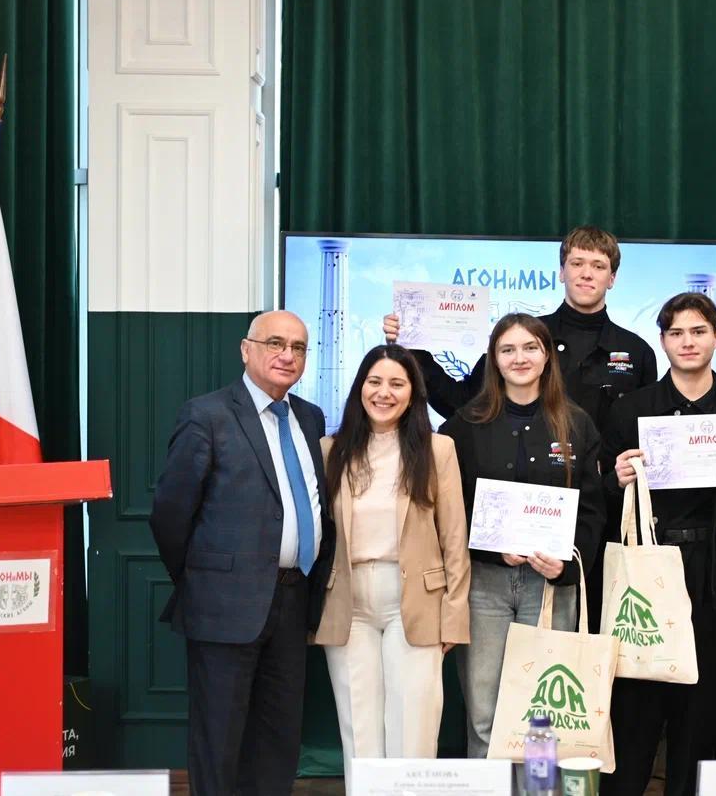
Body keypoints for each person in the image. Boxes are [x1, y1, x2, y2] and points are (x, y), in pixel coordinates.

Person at [150, 310, 335, 796]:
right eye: (275, 343)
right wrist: (204, 580)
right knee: (218, 740)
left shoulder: (310, 417)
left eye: (298, 347)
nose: (287, 355)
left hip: (294, 600)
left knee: (278, 739)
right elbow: (170, 514)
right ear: (246, 349)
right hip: (223, 605)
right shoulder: (206, 415)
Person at [599, 293, 716, 796]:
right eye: (676, 333)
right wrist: (615, 478)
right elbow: (599, 495)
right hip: (647, 579)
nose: (687, 342)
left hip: (714, 581)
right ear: (662, 341)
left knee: (699, 723)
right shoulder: (631, 410)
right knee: (634, 718)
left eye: (698, 332)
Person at [438, 313, 607, 758]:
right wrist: (491, 549)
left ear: (547, 356)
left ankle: (537, 787)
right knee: (484, 711)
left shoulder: (577, 424)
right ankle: (491, 787)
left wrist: (567, 564)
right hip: (484, 585)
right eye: (508, 349)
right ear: (493, 359)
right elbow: (448, 510)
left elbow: (592, 510)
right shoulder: (462, 426)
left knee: (544, 714)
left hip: (550, 586)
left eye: (530, 347)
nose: (520, 358)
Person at [311, 344, 471, 773]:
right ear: (360, 388)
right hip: (347, 602)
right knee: (358, 731)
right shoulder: (330, 450)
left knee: (414, 726)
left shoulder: (438, 450)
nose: (384, 393)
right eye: (375, 381)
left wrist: (454, 614)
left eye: (397, 383)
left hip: (416, 600)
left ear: (413, 392)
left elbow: (454, 537)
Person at [383, 225, 657, 433]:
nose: (587, 273)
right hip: (525, 486)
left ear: (612, 278)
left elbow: (644, 433)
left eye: (598, 266)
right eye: (577, 263)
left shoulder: (637, 352)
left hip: (603, 488)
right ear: (561, 272)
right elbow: (461, 403)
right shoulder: (519, 337)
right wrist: (411, 346)